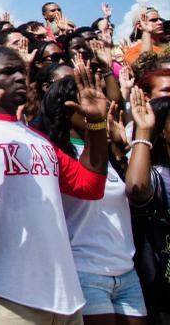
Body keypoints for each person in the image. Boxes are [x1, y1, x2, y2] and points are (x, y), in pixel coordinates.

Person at [0, 48, 109, 323]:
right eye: (8, 72)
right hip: (5, 295)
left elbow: (90, 186)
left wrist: (96, 123)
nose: (20, 77)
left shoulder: (39, 140)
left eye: (22, 71)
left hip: (66, 297)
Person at [37, 77, 147, 323]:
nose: (103, 103)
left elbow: (137, 190)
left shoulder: (107, 152)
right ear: (69, 109)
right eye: (88, 98)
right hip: (85, 272)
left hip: (126, 273)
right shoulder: (55, 155)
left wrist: (125, 148)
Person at [125, 90, 170, 319]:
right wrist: (143, 131)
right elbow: (137, 189)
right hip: (163, 290)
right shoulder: (156, 177)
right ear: (162, 131)